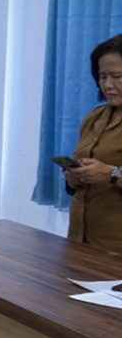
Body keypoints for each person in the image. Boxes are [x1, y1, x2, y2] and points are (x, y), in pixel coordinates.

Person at [64, 34, 122, 252]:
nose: (107, 85)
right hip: (82, 240)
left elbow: (108, 171)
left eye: (116, 76)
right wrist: (73, 177)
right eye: (102, 76)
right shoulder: (95, 118)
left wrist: (111, 174)